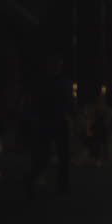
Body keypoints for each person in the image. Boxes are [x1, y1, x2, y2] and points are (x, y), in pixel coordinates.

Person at [28, 55, 72, 196]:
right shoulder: (56, 82)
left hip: (52, 120)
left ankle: (57, 183)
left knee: (57, 153)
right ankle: (56, 182)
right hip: (52, 120)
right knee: (54, 153)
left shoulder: (48, 82)